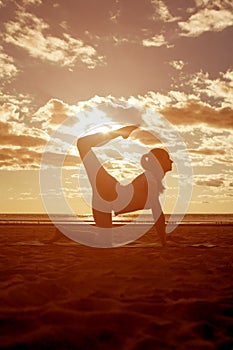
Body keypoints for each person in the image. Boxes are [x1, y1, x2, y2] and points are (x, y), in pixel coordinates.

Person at [77, 126, 173, 246]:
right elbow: (157, 213)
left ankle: (63, 232)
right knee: (82, 144)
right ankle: (120, 133)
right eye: (168, 158)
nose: (171, 161)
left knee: (103, 242)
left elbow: (157, 212)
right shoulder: (151, 180)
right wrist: (163, 242)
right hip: (107, 188)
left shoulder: (154, 180)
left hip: (105, 204)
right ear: (159, 162)